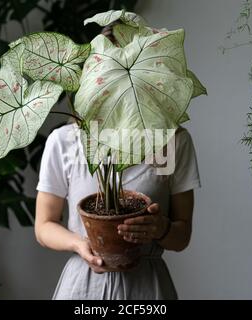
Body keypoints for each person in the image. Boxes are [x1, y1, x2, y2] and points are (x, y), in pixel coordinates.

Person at [34, 25, 201, 300]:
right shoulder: (65, 140)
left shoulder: (170, 141)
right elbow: (44, 226)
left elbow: (182, 236)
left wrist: (161, 228)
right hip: (84, 286)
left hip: (147, 289)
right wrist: (80, 245)